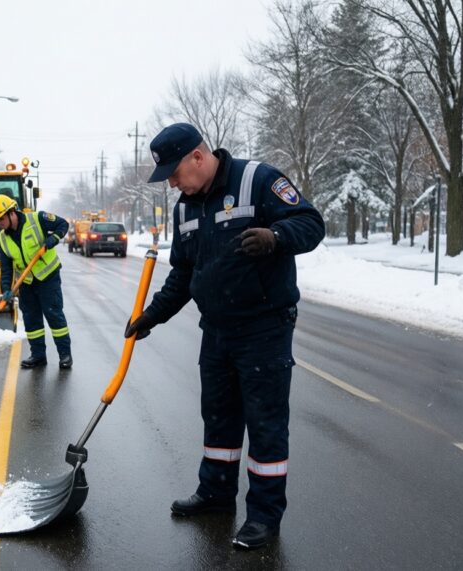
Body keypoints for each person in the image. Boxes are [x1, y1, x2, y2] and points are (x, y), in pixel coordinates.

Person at [125, 123, 324, 550]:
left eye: (176, 173)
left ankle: (264, 517)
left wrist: (276, 236)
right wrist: (152, 316)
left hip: (263, 328)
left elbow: (311, 222)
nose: (174, 184)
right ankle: (216, 494)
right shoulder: (185, 209)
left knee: (265, 424)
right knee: (218, 417)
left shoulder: (258, 180)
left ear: (198, 157)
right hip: (215, 329)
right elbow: (183, 273)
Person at [0, 195, 73, 369]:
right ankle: (38, 356)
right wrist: (6, 289)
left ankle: (65, 355)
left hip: (47, 277)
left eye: (1, 219)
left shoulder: (37, 219)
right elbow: (6, 268)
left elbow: (63, 224)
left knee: (54, 316)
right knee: (31, 319)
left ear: (12, 212)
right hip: (26, 282)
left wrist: (53, 239)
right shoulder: (3, 237)